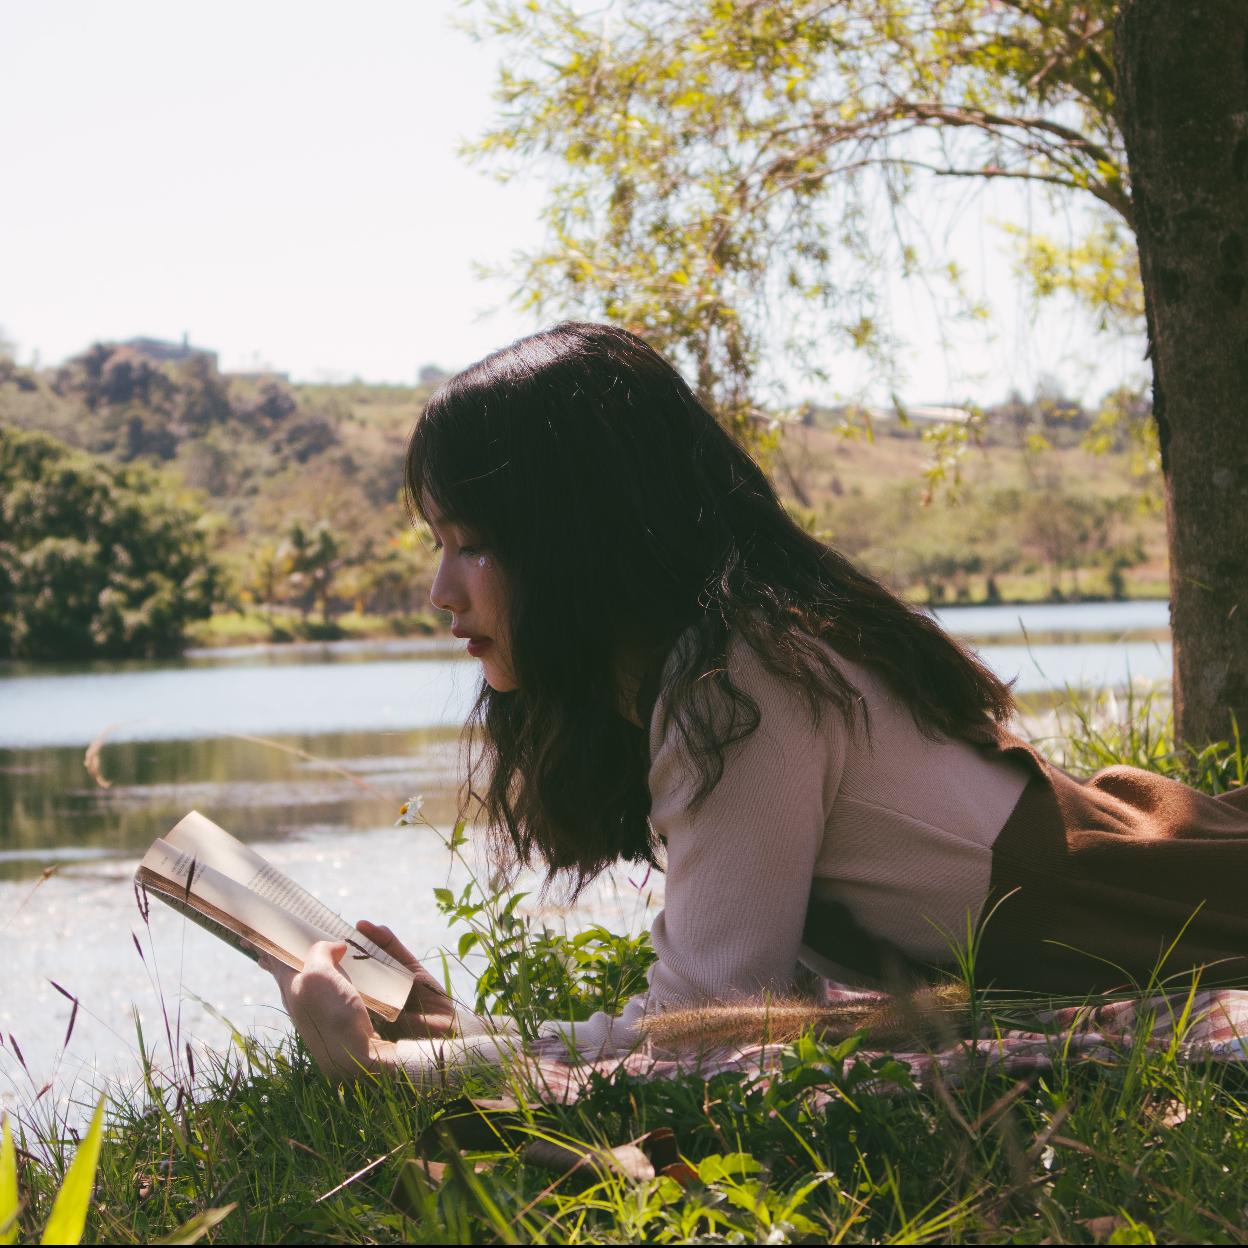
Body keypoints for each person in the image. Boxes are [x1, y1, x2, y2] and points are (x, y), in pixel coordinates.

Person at [265, 322, 1248, 1082]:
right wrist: (453, 1026)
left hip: (1162, 917)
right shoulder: (723, 657)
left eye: (471, 543)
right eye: (438, 543)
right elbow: (734, 1010)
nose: (442, 592)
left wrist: (409, 1069)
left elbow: (705, 1031)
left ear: (579, 540)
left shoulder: (737, 681)